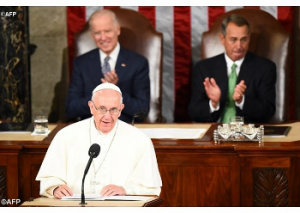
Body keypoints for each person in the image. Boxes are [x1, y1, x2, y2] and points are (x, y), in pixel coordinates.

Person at [36, 83, 162, 198]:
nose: (107, 116)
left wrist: (125, 190)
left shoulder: (139, 140)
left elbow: (151, 187)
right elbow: (49, 178)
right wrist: (55, 188)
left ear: (121, 109)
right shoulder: (66, 136)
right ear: (91, 107)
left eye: (113, 109)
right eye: (102, 109)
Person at [65, 9, 150, 123]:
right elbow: (71, 109)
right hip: (91, 130)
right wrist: (99, 97)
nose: (103, 37)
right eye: (97, 33)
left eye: (107, 31)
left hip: (125, 129)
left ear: (117, 30)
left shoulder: (138, 63)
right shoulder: (81, 63)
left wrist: (116, 91)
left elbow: (142, 111)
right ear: (92, 35)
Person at [188, 14, 276, 123]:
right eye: (233, 40)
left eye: (243, 39)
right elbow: (194, 111)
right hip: (214, 134)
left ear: (249, 39)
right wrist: (213, 103)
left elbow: (268, 111)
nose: (239, 46)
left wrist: (242, 101)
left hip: (247, 134)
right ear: (222, 39)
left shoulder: (265, 68)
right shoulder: (204, 68)